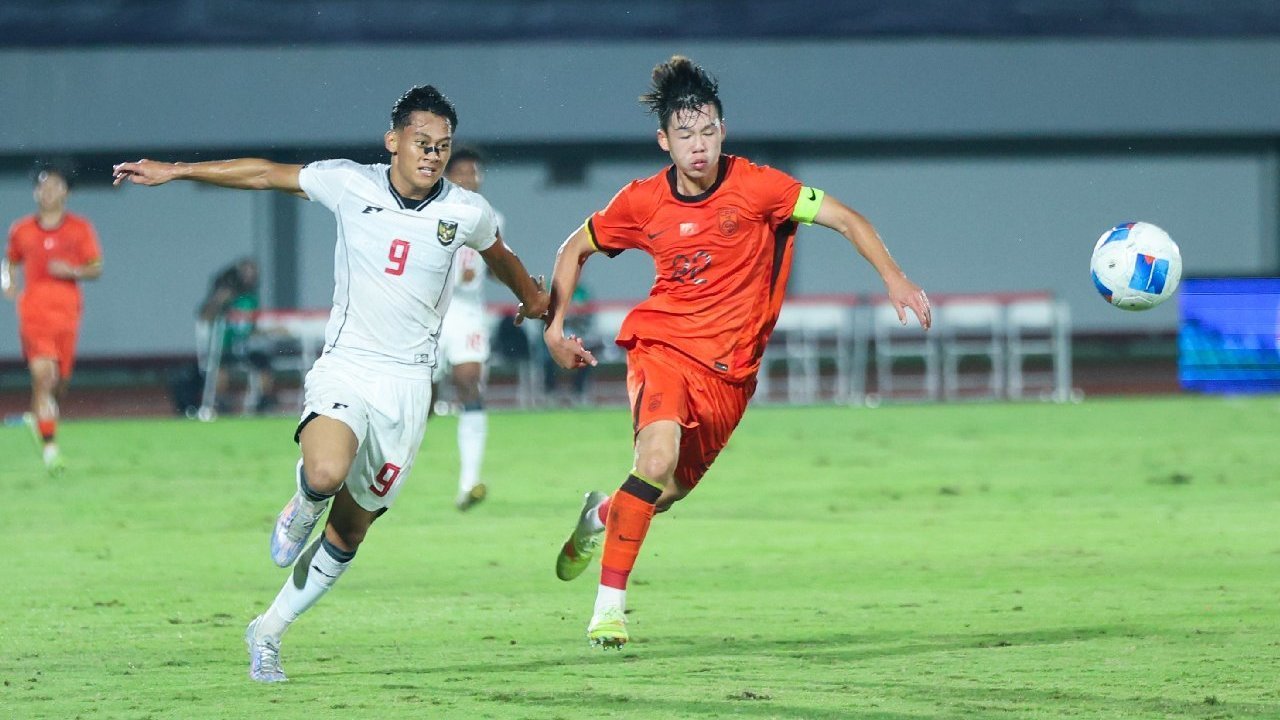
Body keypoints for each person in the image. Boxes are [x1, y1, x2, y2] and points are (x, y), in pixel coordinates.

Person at [112, 85, 550, 683]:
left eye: (442, 148)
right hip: (348, 366)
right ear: (392, 140)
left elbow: (498, 253)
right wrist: (177, 171)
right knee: (323, 473)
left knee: (349, 532)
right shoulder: (350, 183)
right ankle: (303, 501)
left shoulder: (464, 211)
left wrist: (531, 298)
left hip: (409, 389)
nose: (432, 156)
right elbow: (266, 174)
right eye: (422, 143)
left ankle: (267, 630)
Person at [542, 56, 932, 649]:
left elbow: (845, 218)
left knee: (661, 495)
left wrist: (895, 279)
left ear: (722, 130)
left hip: (730, 376)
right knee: (653, 462)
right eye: (684, 135)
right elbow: (576, 247)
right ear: (664, 141)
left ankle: (599, 517)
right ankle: (608, 613)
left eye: (707, 132)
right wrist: (555, 326)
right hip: (663, 348)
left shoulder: (762, 187)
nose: (697, 146)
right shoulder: (642, 201)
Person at [3, 166, 104, 474]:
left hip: (68, 315)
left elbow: (95, 267)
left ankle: (38, 417)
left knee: (59, 385)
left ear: (66, 193)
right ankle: (51, 451)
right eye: (43, 186)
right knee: (43, 377)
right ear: (36, 193)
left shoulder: (80, 229)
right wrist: (7, 282)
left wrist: (72, 271)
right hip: (33, 314)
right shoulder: (21, 230)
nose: (48, 192)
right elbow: (10, 259)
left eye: (55, 186)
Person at [435, 147, 496, 510]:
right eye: (460, 173)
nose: (468, 179)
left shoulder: (490, 216)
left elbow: (499, 263)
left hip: (469, 314)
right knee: (418, 400)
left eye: (473, 173)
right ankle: (384, 472)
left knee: (469, 382)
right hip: (431, 312)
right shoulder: (432, 212)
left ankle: (469, 482)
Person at [197, 257, 277, 415]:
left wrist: (272, 330)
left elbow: (250, 327)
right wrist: (218, 301)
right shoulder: (224, 296)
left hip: (244, 347)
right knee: (222, 363)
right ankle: (220, 402)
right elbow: (204, 317)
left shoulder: (251, 299)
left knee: (263, 361)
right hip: (225, 346)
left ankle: (264, 402)